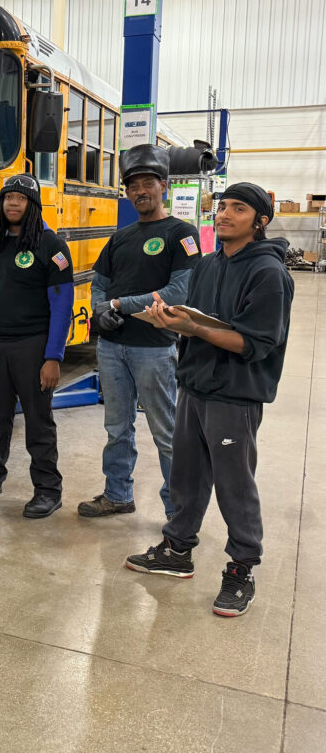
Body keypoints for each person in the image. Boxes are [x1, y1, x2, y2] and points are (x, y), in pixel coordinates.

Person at [125, 182, 293, 618]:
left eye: (238, 209)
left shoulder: (268, 274)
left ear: (260, 221)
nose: (223, 215)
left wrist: (197, 330)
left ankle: (241, 567)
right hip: (196, 386)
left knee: (235, 485)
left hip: (234, 395)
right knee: (187, 475)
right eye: (221, 207)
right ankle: (178, 549)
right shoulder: (209, 265)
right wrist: (171, 321)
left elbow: (254, 343)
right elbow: (197, 321)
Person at [79, 144, 201, 520]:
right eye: (133, 186)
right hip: (113, 349)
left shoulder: (182, 233)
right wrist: (101, 309)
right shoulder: (120, 237)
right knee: (117, 427)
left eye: (148, 183)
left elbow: (179, 292)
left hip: (154, 348)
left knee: (167, 434)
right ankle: (118, 495)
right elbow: (99, 283)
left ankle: (177, 513)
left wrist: (118, 306)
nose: (140, 191)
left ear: (164, 186)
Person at [0, 173, 74, 518]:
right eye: (8, 197)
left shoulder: (51, 246)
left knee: (38, 422)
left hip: (32, 344)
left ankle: (48, 490)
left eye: (21, 199)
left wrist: (53, 356)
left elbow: (62, 304)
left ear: (32, 205)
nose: (12, 203)